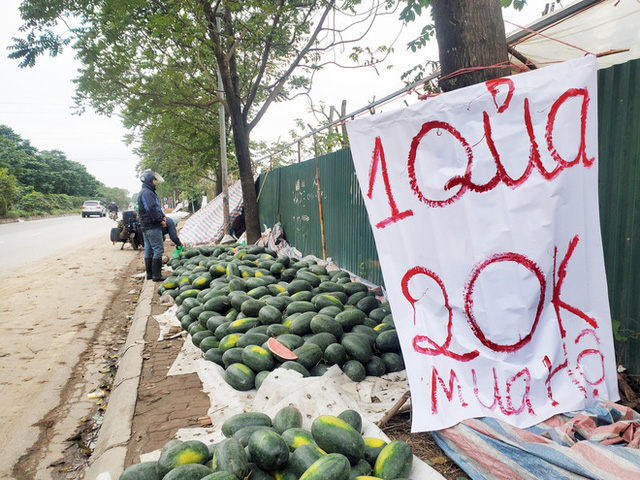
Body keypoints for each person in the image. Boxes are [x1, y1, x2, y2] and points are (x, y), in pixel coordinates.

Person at [138, 170, 167, 282]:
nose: (155, 182)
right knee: (158, 249)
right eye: (154, 180)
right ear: (150, 181)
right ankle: (156, 275)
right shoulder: (147, 193)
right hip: (151, 226)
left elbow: (155, 208)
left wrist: (162, 216)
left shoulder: (146, 191)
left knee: (149, 249)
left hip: (146, 226)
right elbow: (151, 209)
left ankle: (150, 274)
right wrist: (160, 220)